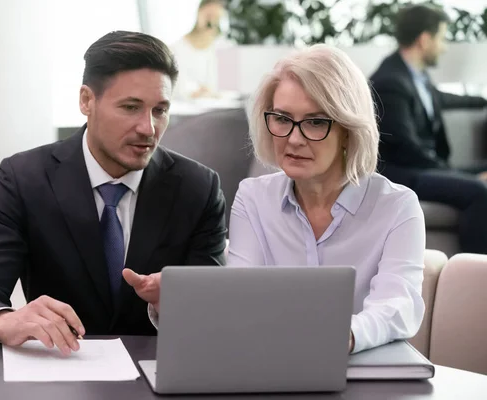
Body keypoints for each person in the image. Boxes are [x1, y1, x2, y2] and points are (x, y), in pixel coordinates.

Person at [126, 44, 426, 354]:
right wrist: (182, 302)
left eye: (314, 122)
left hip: (365, 367)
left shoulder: (397, 207)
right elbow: (241, 299)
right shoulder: (254, 198)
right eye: (282, 119)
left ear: (348, 130)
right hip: (274, 366)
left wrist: (344, 335)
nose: (294, 138)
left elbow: (398, 305)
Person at [0, 31, 227, 355]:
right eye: (131, 107)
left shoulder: (198, 188)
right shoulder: (23, 179)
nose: (148, 128)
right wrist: (3, 319)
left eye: (160, 110)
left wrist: (175, 307)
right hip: (58, 372)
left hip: (160, 376)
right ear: (86, 100)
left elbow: (212, 314)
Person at [370, 4, 487, 254]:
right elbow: (406, 146)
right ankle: (473, 271)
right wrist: (458, 175)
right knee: (478, 190)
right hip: (403, 172)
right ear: (424, 40)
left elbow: (442, 98)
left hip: (425, 166)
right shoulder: (390, 81)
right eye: (441, 38)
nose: (443, 47)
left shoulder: (414, 76)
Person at [170, 0, 233, 100]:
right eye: (209, 15)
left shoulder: (225, 47)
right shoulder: (176, 49)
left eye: (216, 17)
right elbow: (175, 87)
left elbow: (230, 87)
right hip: (189, 107)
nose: (211, 21)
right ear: (199, 13)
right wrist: (193, 92)